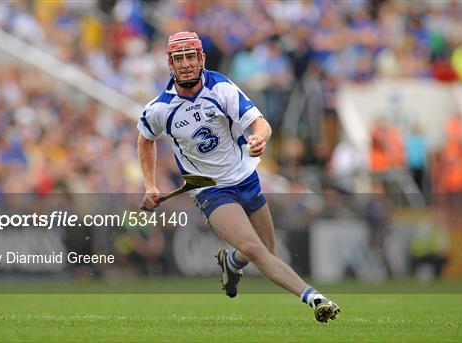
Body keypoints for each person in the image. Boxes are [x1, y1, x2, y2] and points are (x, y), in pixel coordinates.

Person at [136, 31, 340, 323]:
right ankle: (315, 298)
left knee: (267, 249)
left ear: (201, 58)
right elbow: (145, 139)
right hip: (209, 189)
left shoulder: (221, 88)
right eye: (178, 58)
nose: (185, 64)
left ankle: (231, 263)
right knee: (253, 248)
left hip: (245, 177)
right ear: (170, 63)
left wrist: (259, 138)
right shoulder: (159, 109)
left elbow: (261, 124)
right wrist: (150, 184)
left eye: (190, 56)